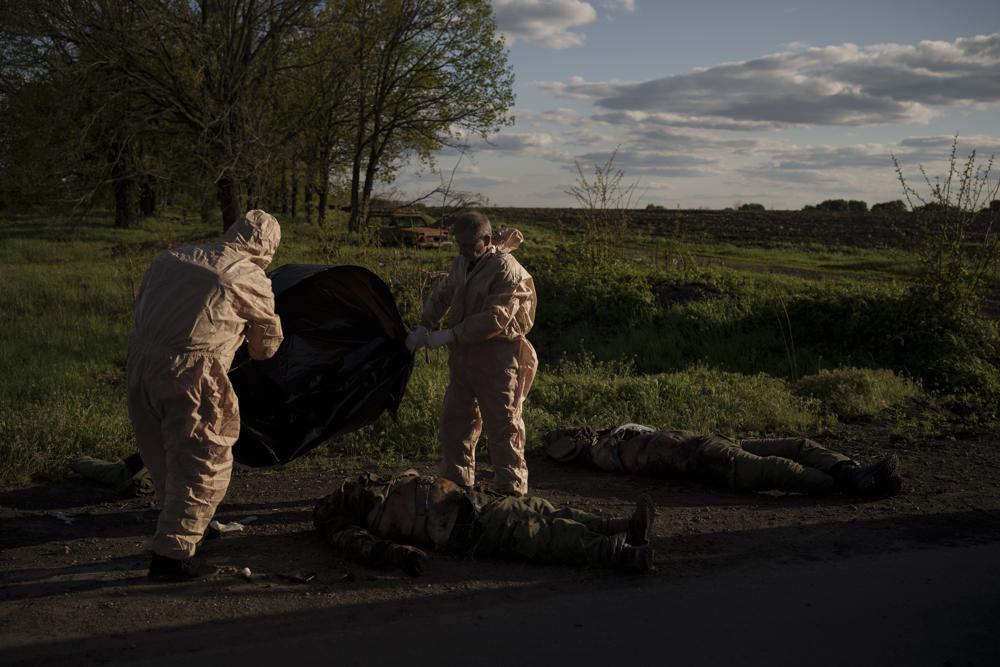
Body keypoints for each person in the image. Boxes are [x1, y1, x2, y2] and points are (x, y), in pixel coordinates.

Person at [127, 209, 284, 580]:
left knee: (164, 453)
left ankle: (190, 526)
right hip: (194, 376)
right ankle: (172, 556)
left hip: (141, 364)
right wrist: (249, 350)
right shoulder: (247, 276)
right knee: (204, 461)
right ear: (268, 246)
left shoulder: (173, 258)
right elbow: (268, 342)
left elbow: (142, 306)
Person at [406, 211, 537, 497]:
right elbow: (444, 294)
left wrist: (451, 334)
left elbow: (496, 318)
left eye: (467, 244)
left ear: (486, 240)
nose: (462, 250)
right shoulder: (463, 263)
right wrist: (424, 325)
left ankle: (511, 489)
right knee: (457, 420)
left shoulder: (506, 269)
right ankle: (457, 483)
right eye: (459, 244)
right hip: (464, 357)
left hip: (498, 357)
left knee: (503, 423)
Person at [313, 470, 655, 576]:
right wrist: (396, 554)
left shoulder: (369, 485)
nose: (340, 491)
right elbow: (357, 543)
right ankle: (619, 554)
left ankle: (619, 526)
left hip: (472, 502)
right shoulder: (338, 517)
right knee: (538, 532)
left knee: (545, 510)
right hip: (458, 526)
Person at [545, 424, 902, 497]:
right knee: (779, 470)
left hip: (712, 443)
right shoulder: (609, 453)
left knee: (797, 445)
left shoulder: (619, 436)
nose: (579, 430)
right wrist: (578, 440)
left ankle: (849, 470)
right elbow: (562, 448)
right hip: (706, 459)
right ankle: (851, 485)